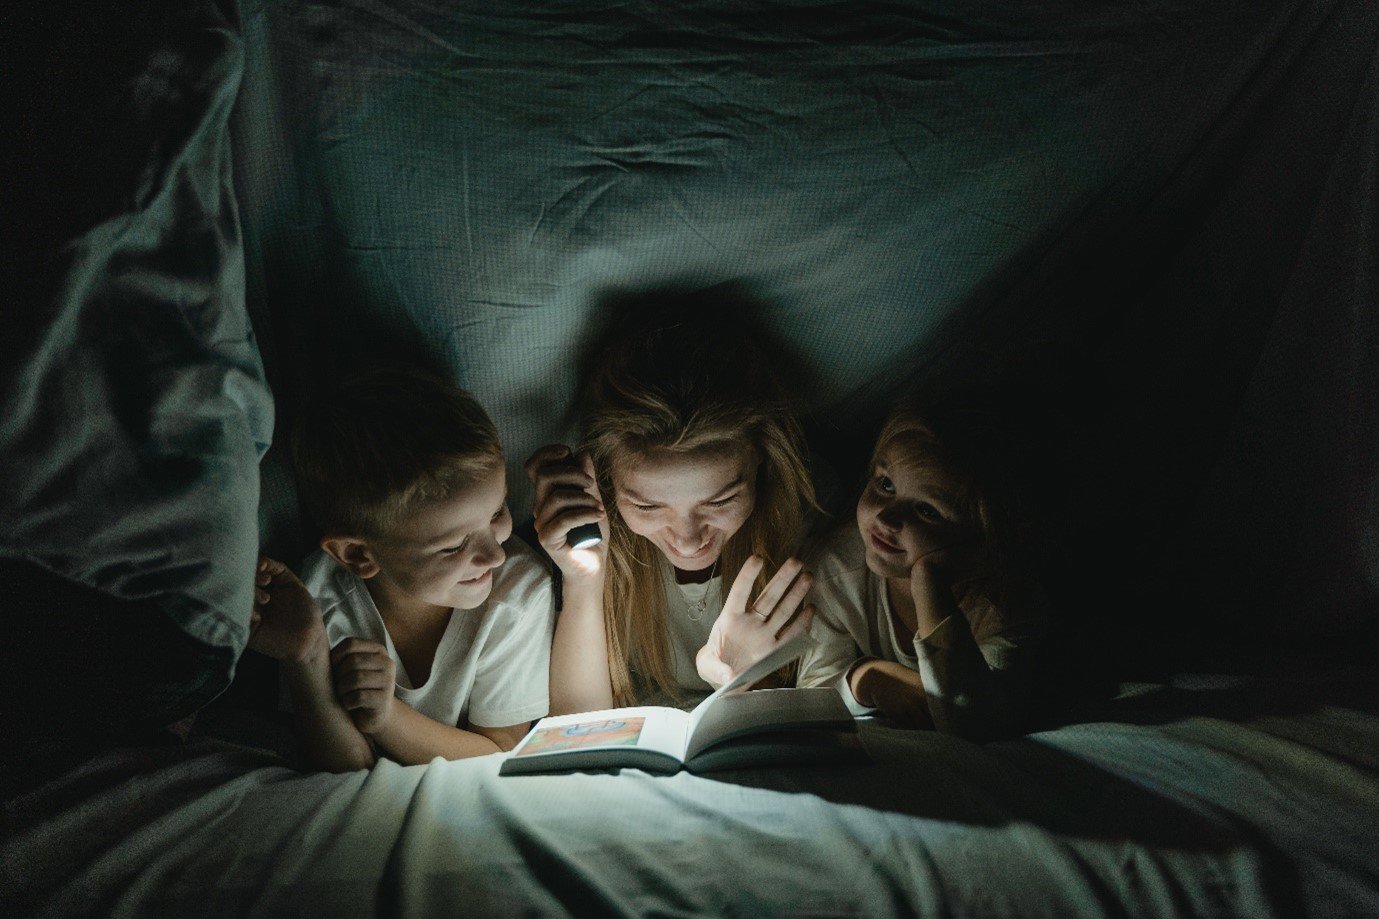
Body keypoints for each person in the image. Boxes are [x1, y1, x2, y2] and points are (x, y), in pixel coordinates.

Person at [248, 366, 554, 770]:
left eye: (497, 512)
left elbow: (500, 753)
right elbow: (347, 770)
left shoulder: (517, 592)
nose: (494, 555)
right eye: (452, 546)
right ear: (358, 555)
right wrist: (306, 659)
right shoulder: (315, 598)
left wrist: (389, 718)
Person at [529, 324, 818, 714]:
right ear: (606, 480)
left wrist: (752, 678)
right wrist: (583, 582)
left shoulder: (809, 523)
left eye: (720, 501)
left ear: (760, 459)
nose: (687, 540)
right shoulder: (594, 538)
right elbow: (578, 725)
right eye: (647, 507)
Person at [796, 395, 1045, 740]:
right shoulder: (839, 567)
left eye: (927, 510)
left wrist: (929, 585)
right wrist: (869, 677)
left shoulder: (1004, 605)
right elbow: (812, 691)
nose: (885, 517)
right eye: (885, 485)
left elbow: (974, 723)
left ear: (984, 544)